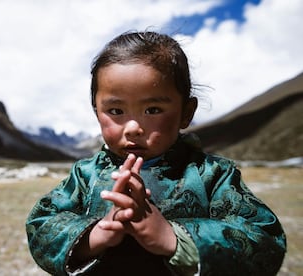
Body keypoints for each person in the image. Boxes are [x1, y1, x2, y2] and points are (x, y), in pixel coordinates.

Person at [26, 31, 286, 276]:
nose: (133, 128)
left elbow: (265, 240)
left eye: (152, 110)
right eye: (116, 111)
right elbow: (41, 224)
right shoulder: (84, 175)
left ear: (186, 113)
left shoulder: (213, 175)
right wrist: (93, 236)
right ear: (97, 112)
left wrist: (172, 238)